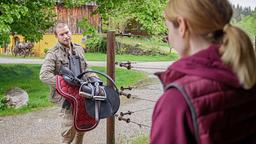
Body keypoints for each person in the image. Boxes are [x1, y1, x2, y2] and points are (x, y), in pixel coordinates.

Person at [150, 0, 256, 144]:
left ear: (182, 25)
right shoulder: (247, 77)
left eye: (168, 28)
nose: (168, 36)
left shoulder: (177, 101)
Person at [40, 22, 94, 144]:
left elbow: (86, 68)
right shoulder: (53, 53)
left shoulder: (79, 49)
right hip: (67, 97)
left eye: (67, 32)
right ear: (57, 36)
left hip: (83, 94)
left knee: (82, 126)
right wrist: (64, 84)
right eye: (62, 34)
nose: (66, 36)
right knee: (68, 131)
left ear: (70, 32)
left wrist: (94, 78)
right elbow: (44, 75)